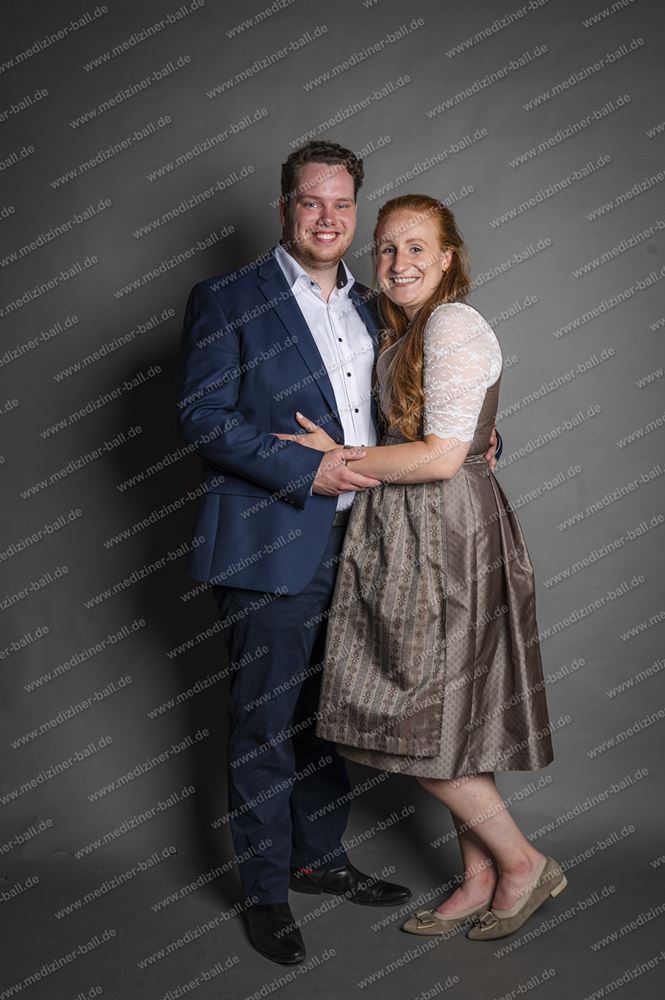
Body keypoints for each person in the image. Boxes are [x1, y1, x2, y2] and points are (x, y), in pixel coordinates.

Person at [176, 142, 500, 965]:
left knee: (336, 718)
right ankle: (265, 892)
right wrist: (306, 471)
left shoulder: (379, 304)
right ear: (285, 208)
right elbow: (204, 418)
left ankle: (318, 859)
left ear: (355, 212)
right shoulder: (227, 298)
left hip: (372, 548)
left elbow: (422, 404)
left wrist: (476, 439)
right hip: (270, 545)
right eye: (311, 202)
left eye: (342, 204)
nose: (327, 218)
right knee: (264, 723)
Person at [277, 194, 566, 943]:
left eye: (416, 248)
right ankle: (480, 876)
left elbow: (440, 457)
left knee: (421, 717)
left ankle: (524, 863)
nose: (398, 262)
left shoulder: (450, 323)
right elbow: (457, 433)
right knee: (450, 718)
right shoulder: (406, 327)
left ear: (447, 258)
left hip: (443, 536)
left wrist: (337, 457)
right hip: (411, 528)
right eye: (386, 248)